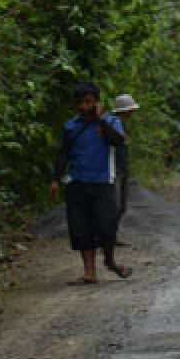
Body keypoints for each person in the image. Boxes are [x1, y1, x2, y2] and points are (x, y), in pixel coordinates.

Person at [50, 82, 132, 284]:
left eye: (88, 102)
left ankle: (110, 261)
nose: (84, 106)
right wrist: (55, 179)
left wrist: (100, 120)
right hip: (76, 182)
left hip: (104, 182)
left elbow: (118, 142)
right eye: (80, 103)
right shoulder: (71, 126)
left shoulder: (112, 122)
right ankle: (89, 272)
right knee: (80, 229)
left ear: (96, 102)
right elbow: (63, 154)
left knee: (106, 226)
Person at [111, 93, 140, 246]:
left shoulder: (120, 124)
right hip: (115, 169)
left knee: (121, 205)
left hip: (121, 168)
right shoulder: (114, 123)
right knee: (115, 205)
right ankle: (108, 237)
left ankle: (113, 236)